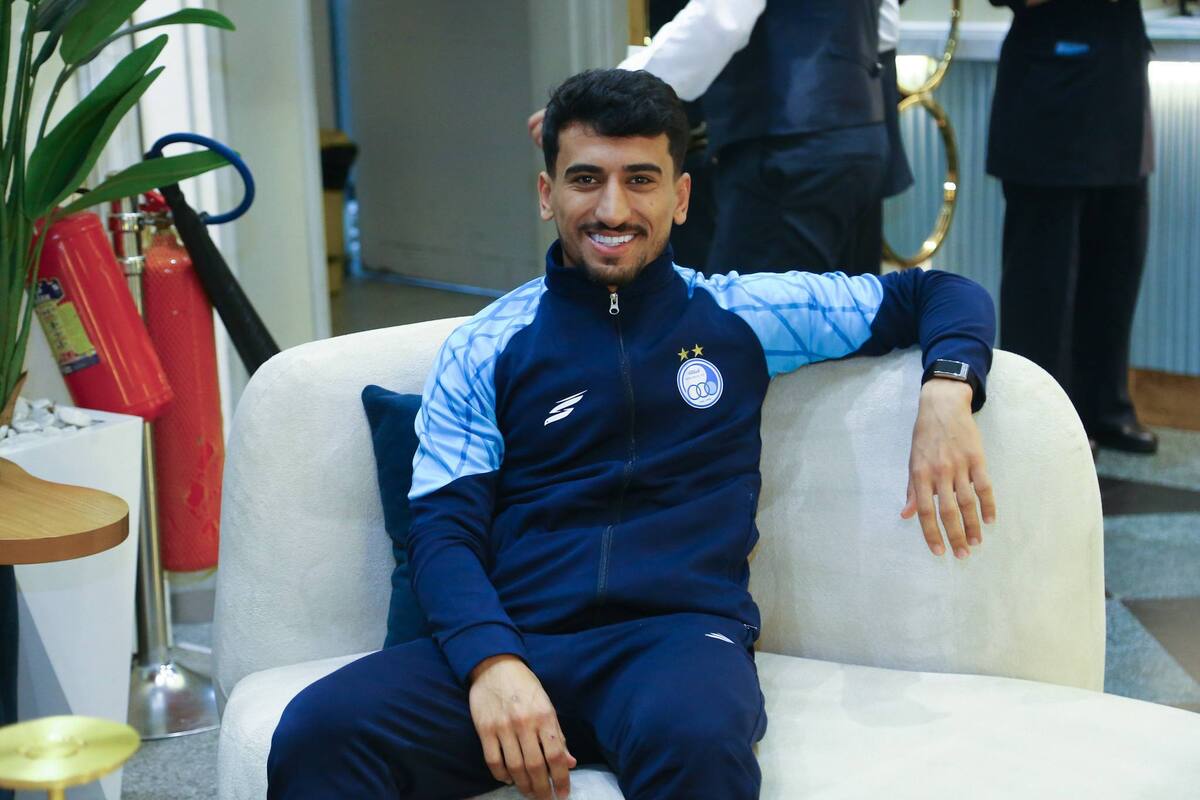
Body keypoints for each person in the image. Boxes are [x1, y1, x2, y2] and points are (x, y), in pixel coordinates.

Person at [269, 69, 997, 800]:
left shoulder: (745, 314)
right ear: (547, 193)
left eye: (640, 180)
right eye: (585, 179)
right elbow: (443, 531)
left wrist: (948, 391)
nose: (612, 209)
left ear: (680, 197)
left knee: (698, 742)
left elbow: (938, 292)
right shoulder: (485, 346)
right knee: (320, 730)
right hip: (519, 637)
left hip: (676, 644)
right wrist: (491, 661)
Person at [528, 0, 890, 277]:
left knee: (748, 321)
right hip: (861, 137)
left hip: (786, 146)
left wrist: (600, 105)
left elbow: (722, 17)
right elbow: (885, 28)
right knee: (849, 315)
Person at [987, 0, 1157, 453]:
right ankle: (1042, 419)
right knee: (1043, 284)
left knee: (1117, 269)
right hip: (1050, 92)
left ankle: (1104, 407)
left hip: (1120, 90)